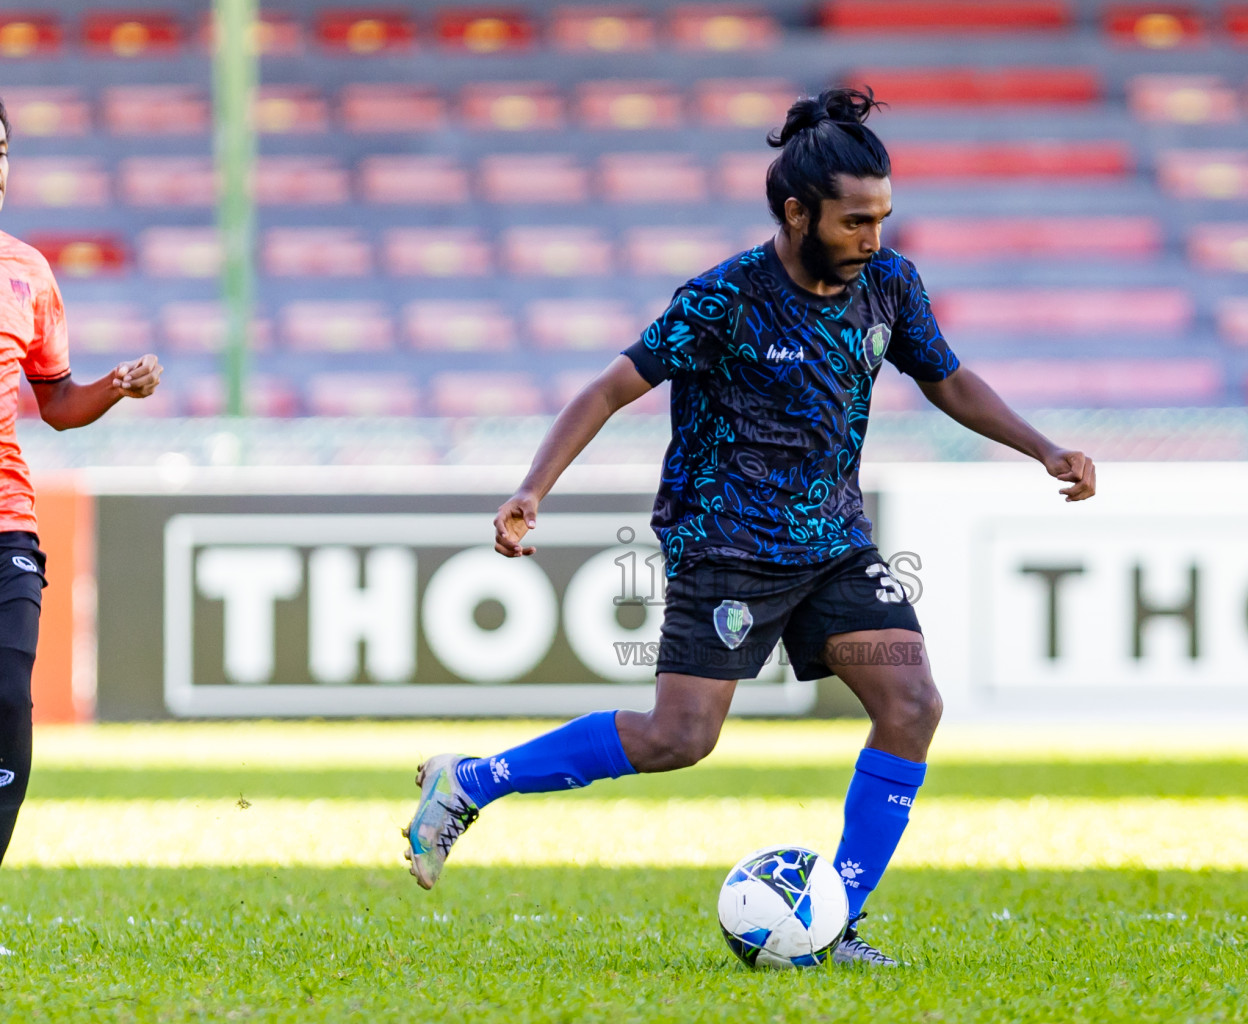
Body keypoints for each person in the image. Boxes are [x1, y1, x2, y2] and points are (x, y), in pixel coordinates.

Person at [403, 87, 1095, 966]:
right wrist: (533, 489)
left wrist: (1043, 448)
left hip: (835, 544)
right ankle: (470, 783)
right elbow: (609, 388)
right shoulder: (724, 298)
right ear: (798, 212)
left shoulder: (889, 283)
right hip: (725, 547)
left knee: (912, 703)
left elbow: (947, 379)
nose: (872, 240)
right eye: (854, 222)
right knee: (677, 739)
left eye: (882, 219)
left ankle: (836, 919)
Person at [0, 98, 163, 874]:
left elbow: (56, 403)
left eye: (0, 149)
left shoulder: (27, 271)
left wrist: (114, 386)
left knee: (6, 710)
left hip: (8, 523)